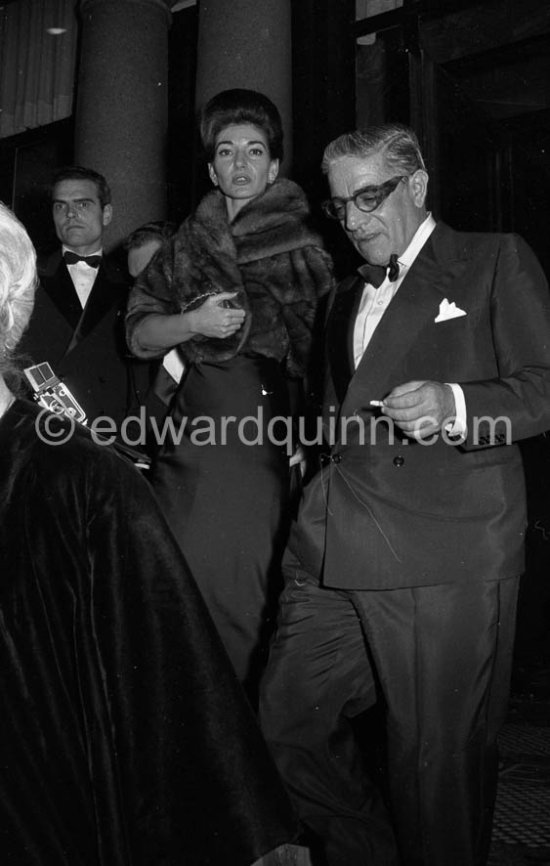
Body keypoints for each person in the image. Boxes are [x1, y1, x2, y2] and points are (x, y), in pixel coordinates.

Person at [259, 123, 550, 866]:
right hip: (335, 543)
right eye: (339, 205)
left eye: (369, 197)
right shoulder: (340, 296)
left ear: (416, 186)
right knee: (285, 719)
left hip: (442, 545)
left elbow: (542, 389)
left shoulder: (491, 259)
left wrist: (455, 404)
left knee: (435, 765)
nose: (352, 220)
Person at [0, 200, 296, 865]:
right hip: (124, 482)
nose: (143, 294)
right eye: (137, 286)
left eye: (155, 280)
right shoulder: (132, 340)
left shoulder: (230, 354)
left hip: (175, 490)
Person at [126, 88, 334, 698]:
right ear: (212, 168)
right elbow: (137, 334)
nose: (240, 164)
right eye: (226, 151)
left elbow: (326, 358)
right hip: (188, 436)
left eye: (255, 151)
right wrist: (192, 325)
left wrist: (309, 436)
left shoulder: (306, 250)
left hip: (255, 437)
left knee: (239, 592)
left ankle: (229, 748)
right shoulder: (184, 246)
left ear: (274, 167)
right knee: (172, 583)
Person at [18, 165, 148, 430]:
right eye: (60, 206)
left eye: (83, 204)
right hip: (41, 427)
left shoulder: (133, 283)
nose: (70, 214)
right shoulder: (24, 277)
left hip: (112, 431)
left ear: (107, 213)